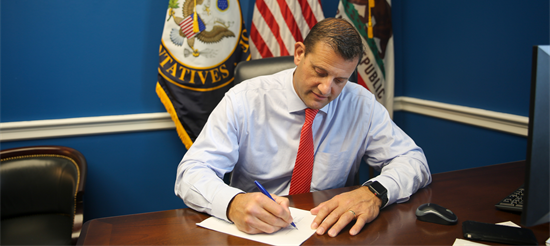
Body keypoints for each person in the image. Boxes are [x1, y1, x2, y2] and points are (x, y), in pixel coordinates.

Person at [175, 18, 431, 237]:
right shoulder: (245, 99)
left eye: (340, 79)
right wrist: (232, 203)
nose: (326, 89)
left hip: (330, 231)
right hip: (257, 231)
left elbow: (413, 160)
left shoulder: (359, 103)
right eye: (319, 72)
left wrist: (374, 192)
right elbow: (192, 172)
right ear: (299, 53)